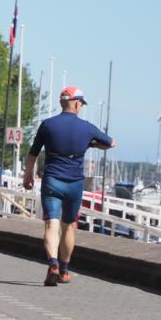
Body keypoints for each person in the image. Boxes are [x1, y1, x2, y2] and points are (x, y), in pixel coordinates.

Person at [23, 86, 115, 287]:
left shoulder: (47, 125)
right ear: (75, 102)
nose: (81, 106)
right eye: (81, 103)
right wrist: (91, 144)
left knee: (51, 224)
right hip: (74, 183)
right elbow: (111, 143)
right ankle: (64, 271)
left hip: (52, 180)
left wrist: (27, 175)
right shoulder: (86, 127)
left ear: (62, 102)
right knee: (68, 226)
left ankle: (52, 263)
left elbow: (32, 154)